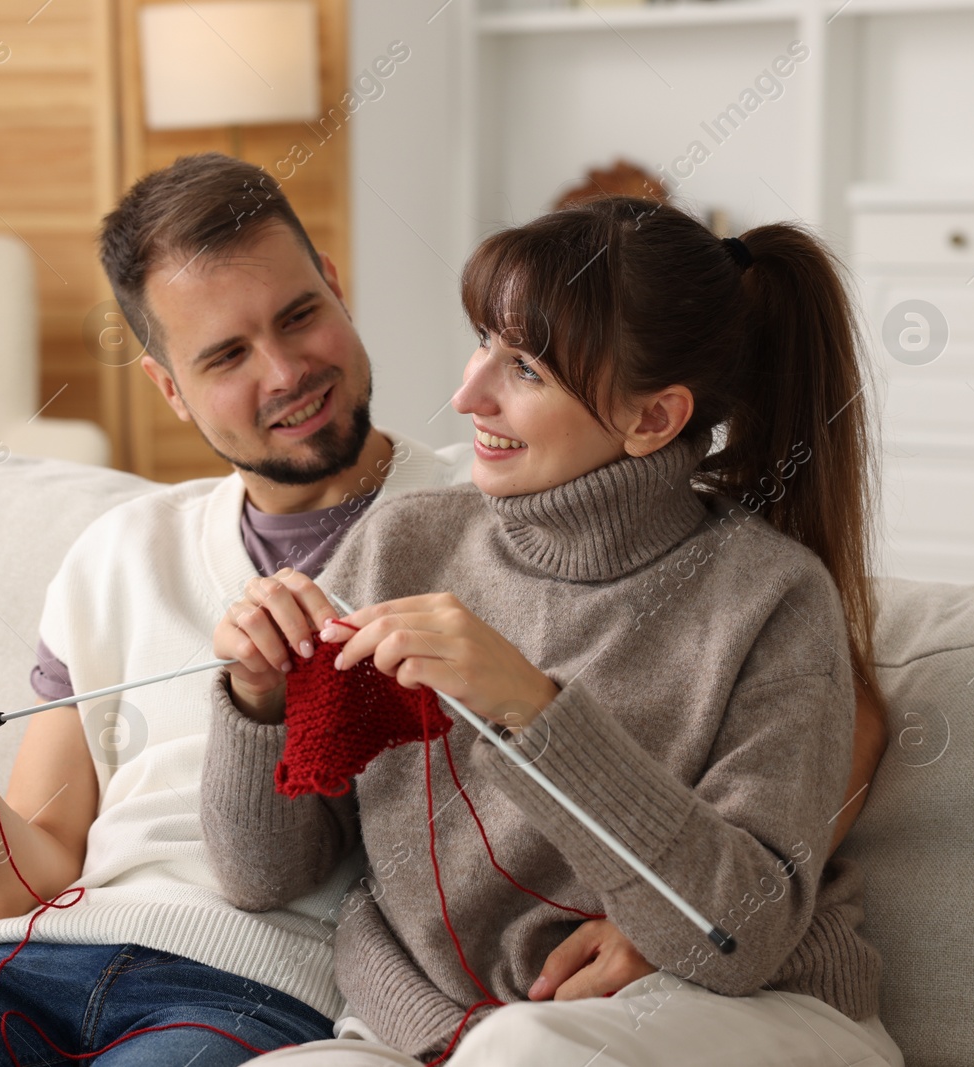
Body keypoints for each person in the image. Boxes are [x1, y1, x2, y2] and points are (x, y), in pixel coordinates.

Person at [0, 159, 886, 1066]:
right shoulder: (121, 552)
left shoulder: (485, 498)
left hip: (263, 993)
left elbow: (829, 723)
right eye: (225, 355)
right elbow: (38, 873)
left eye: (299, 315)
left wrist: (652, 926)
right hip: (28, 961)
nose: (283, 372)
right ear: (166, 384)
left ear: (338, 290)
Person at [201, 198, 904, 1066]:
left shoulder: (770, 596)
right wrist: (258, 700)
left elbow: (742, 936)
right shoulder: (402, 543)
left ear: (654, 418)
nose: (467, 395)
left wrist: (532, 710)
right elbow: (264, 875)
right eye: (483, 343)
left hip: (738, 1012)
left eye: (526, 369)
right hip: (446, 1029)